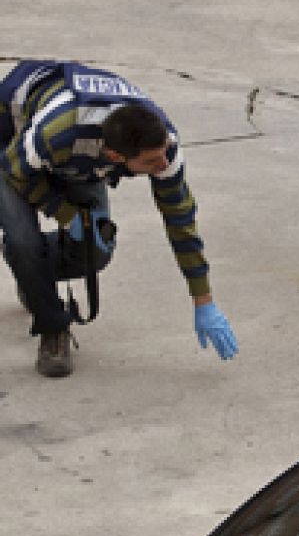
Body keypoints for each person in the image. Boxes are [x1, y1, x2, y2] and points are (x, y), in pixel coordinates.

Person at [1, 60, 239, 377]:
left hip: (81, 155)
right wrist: (65, 213)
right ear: (116, 157)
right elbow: (17, 172)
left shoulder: (162, 144)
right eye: (152, 161)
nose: (163, 163)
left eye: (165, 153)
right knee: (22, 241)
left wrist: (203, 299)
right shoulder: (56, 132)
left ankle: (32, 277)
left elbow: (180, 220)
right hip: (12, 142)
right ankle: (52, 328)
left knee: (95, 249)